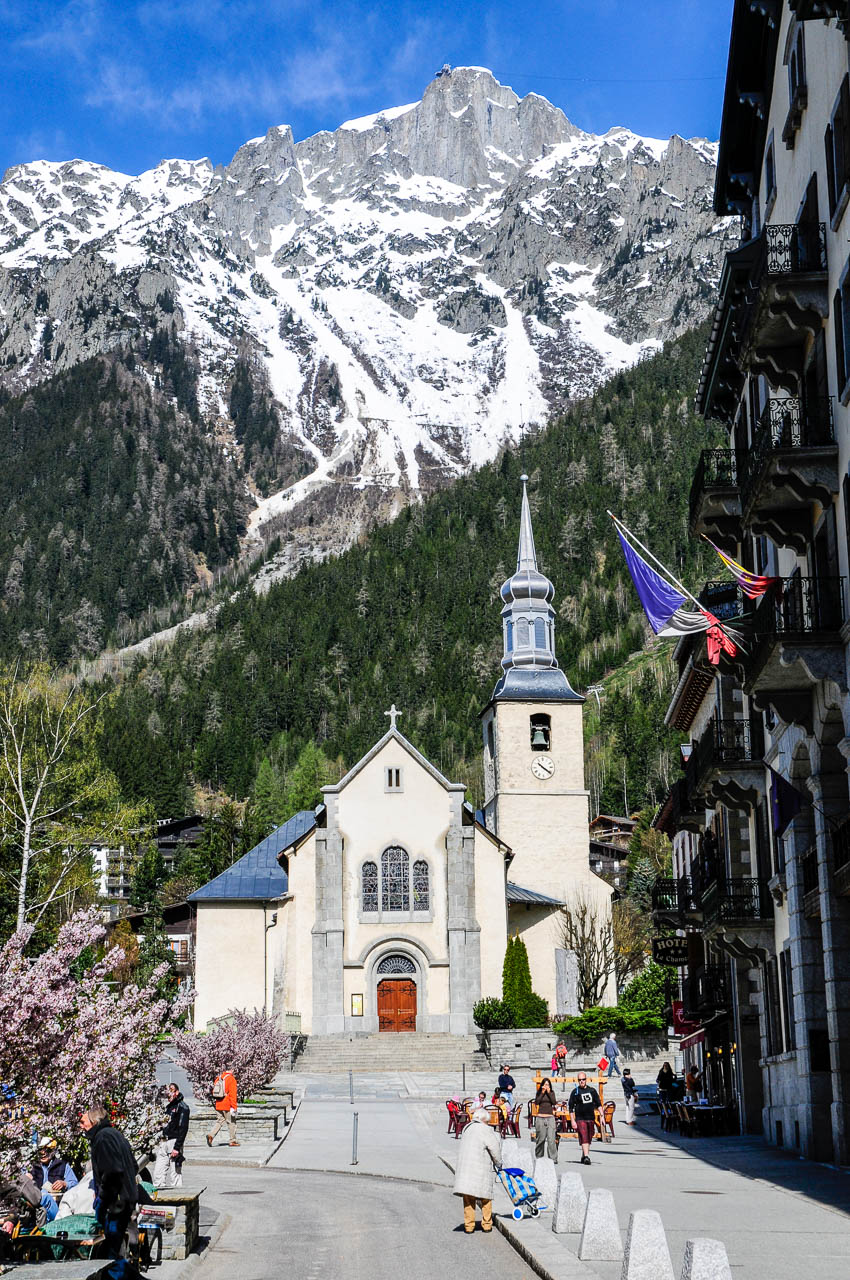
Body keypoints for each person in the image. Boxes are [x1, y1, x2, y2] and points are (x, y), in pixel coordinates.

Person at [81, 1104, 140, 1280]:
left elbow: (112, 1172)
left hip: (116, 1205)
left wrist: (102, 1199)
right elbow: (134, 1166)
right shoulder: (115, 1135)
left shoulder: (103, 1138)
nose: (81, 1125)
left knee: (112, 1253)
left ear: (93, 1121)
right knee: (113, 1251)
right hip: (124, 1201)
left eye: (83, 1121)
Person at [452, 1107, 502, 1234]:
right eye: (488, 1121)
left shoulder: (467, 1129)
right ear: (484, 1119)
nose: (488, 1123)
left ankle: (469, 1226)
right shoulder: (485, 1130)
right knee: (486, 1197)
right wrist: (499, 1163)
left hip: (465, 1168)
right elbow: (494, 1148)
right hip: (480, 1166)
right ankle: (486, 1224)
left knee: (468, 1197)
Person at [154, 1083, 190, 1188]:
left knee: (175, 1174)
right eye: (167, 1091)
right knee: (158, 1173)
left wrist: (177, 1147)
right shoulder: (168, 1107)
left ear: (176, 1092)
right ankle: (158, 1193)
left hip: (174, 1142)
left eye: (171, 1090)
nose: (168, 1093)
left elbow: (183, 1128)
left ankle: (178, 1199)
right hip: (164, 1142)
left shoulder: (182, 1107)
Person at [568, 1071, 601, 1166]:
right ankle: (587, 1157)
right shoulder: (575, 1092)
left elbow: (598, 1104)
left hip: (590, 1117)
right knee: (584, 1135)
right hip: (580, 1118)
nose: (581, 1081)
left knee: (589, 1137)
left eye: (583, 1079)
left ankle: (584, 1155)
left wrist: (602, 1116)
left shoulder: (592, 1091)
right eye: (580, 1080)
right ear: (577, 1081)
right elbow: (570, 1107)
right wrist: (573, 1120)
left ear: (586, 1080)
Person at [207, 1068, 239, 1147]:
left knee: (220, 1121)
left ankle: (211, 1135)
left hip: (218, 1103)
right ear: (231, 1070)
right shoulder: (231, 1079)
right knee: (231, 1122)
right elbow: (233, 1094)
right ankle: (233, 1141)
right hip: (227, 1104)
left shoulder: (219, 1078)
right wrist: (234, 1107)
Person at [533, 1077, 558, 1162]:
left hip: (550, 1117)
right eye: (545, 1084)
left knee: (551, 1139)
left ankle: (553, 1158)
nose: (546, 1086)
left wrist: (548, 1092)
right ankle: (539, 1157)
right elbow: (537, 1102)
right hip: (540, 1117)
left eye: (548, 1084)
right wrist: (542, 1093)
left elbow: (554, 1102)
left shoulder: (551, 1092)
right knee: (541, 1139)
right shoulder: (539, 1092)